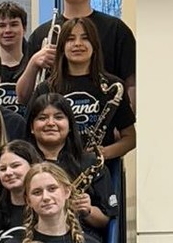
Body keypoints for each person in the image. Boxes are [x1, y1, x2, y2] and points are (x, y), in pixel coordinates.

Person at [21, 0, 136, 110]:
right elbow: (22, 97)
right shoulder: (41, 34)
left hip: (105, 126)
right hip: (53, 127)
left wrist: (124, 122)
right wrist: (34, 62)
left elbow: (132, 84)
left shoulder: (116, 29)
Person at [27, 17, 136, 161]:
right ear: (62, 47)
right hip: (56, 169)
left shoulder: (113, 88)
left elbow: (130, 138)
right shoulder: (46, 88)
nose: (78, 44)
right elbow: (29, 134)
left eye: (85, 38)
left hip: (100, 171)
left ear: (94, 45)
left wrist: (103, 154)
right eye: (70, 39)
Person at [25, 93, 117, 241]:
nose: (50, 123)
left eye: (58, 117)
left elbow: (106, 219)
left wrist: (87, 210)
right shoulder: (21, 163)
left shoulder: (91, 163)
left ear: (69, 126)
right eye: (42, 118)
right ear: (31, 127)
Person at [0, 140, 42, 243]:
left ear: (33, 166)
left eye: (15, 166)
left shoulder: (45, 209)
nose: (8, 172)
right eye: (3, 169)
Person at [0, 1, 30, 117]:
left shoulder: (34, 67)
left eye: (14, 24)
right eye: (1, 26)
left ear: (24, 28)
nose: (8, 30)